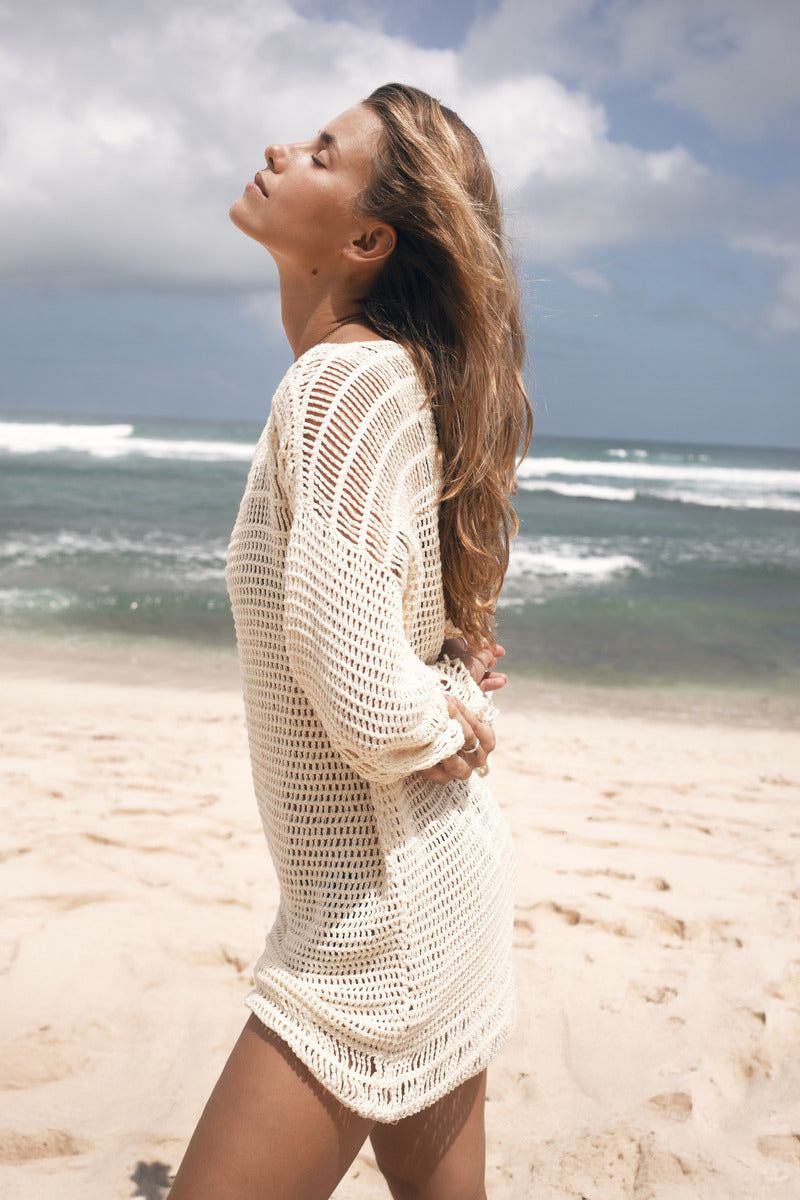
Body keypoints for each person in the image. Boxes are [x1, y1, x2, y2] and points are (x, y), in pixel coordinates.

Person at [169, 82, 532, 1200]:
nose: (280, 147)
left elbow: (371, 701)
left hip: (377, 927)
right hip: (405, 885)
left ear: (368, 237)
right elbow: (404, 641)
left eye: (322, 151)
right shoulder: (377, 379)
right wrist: (454, 686)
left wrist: (456, 712)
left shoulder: (340, 384)